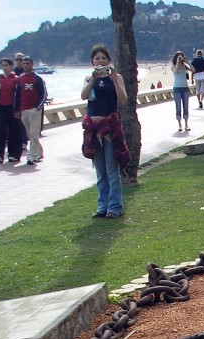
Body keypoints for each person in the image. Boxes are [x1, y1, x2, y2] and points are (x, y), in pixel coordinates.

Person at [81, 44, 129, 219]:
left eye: (103, 58)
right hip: (93, 129)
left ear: (109, 60)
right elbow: (83, 96)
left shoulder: (116, 77)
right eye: (97, 58)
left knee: (111, 169)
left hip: (109, 128)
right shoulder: (89, 78)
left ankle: (114, 207)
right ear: (92, 61)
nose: (100, 61)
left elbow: (123, 100)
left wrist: (114, 79)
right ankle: (102, 206)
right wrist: (93, 79)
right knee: (100, 170)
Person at [13, 56, 47, 165]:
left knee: (33, 133)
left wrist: (37, 108)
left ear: (32, 64)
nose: (26, 65)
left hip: (34, 110)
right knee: (29, 134)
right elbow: (17, 95)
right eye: (24, 63)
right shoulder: (20, 79)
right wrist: (16, 109)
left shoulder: (38, 79)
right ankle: (39, 152)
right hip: (24, 109)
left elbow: (43, 95)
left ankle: (31, 155)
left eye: (28, 63)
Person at [0, 58, 22, 163]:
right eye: (3, 65)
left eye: (6, 65)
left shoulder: (16, 79)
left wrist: (18, 109)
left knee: (14, 130)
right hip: (1, 107)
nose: (4, 67)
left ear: (11, 66)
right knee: (1, 130)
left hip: (12, 107)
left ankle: (14, 154)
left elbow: (19, 94)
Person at [171, 51, 192, 131]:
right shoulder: (173, 66)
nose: (180, 59)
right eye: (179, 57)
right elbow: (176, 71)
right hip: (177, 88)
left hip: (185, 88)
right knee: (178, 107)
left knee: (186, 106)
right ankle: (179, 124)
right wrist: (177, 61)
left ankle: (186, 124)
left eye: (181, 57)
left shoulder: (184, 66)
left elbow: (193, 70)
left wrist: (187, 62)